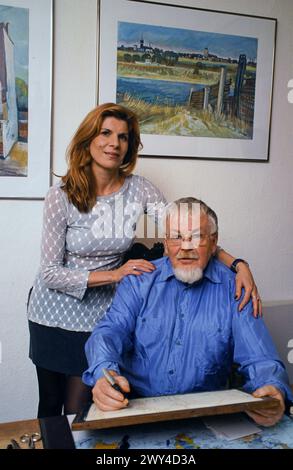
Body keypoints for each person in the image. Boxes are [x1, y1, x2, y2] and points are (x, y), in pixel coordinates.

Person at [27, 103, 260, 418]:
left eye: (123, 137)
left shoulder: (140, 190)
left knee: (79, 410)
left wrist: (238, 265)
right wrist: (115, 274)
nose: (114, 143)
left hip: (100, 318)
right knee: (51, 409)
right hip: (52, 315)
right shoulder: (62, 194)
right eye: (106, 133)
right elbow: (50, 274)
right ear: (88, 139)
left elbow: (187, 230)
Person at [83, 197, 293, 427]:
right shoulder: (138, 282)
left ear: (214, 243)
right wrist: (104, 376)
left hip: (205, 418)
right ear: (165, 242)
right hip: (134, 408)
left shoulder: (236, 288)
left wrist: (273, 389)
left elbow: (260, 357)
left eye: (197, 237)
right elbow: (109, 332)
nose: (185, 247)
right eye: (176, 237)